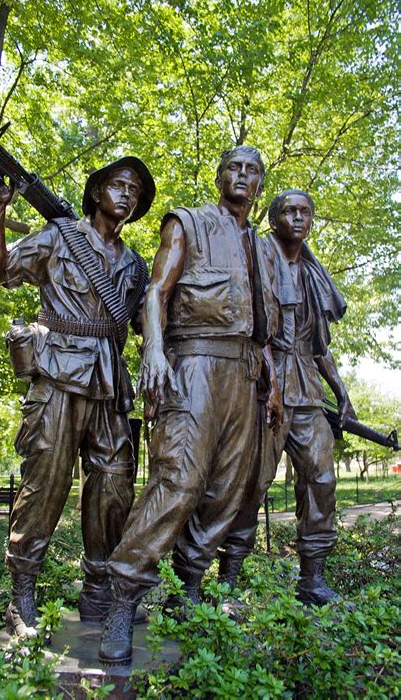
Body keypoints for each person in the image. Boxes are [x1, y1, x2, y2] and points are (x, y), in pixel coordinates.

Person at [98, 145, 283, 666]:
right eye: (234, 167)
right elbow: (155, 291)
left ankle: (189, 594)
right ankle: (123, 598)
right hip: (195, 364)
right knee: (177, 480)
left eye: (253, 170)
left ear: (261, 184)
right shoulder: (189, 222)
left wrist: (270, 382)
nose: (242, 176)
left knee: (226, 490)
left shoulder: (262, 248)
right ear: (219, 175)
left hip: (245, 377)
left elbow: (265, 328)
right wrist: (154, 349)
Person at [0, 156, 155, 635]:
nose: (127, 194)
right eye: (118, 185)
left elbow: (146, 324)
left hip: (110, 384)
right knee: (46, 484)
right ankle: (22, 595)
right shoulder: (60, 237)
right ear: (96, 192)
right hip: (58, 373)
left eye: (135, 191)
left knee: (113, 488)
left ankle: (99, 591)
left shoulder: (135, 266)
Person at [218, 189, 356, 606]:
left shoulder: (312, 273)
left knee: (322, 477)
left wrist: (341, 391)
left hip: (307, 388)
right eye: (290, 211)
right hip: (264, 383)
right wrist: (272, 385)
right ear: (275, 218)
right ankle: (228, 580)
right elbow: (254, 325)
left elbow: (318, 345)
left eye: (305, 212)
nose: (298, 218)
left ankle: (312, 578)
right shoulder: (258, 255)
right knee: (252, 482)